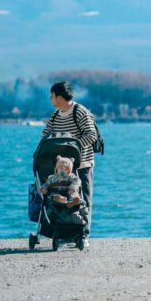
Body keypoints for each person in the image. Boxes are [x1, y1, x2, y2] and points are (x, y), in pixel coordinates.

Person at [42, 81, 98, 246]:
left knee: (83, 199)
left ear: (59, 97)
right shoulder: (55, 115)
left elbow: (91, 135)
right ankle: (66, 233)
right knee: (63, 198)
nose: (50, 99)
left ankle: (84, 235)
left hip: (82, 164)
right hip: (61, 168)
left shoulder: (80, 112)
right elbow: (45, 135)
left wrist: (73, 150)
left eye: (52, 96)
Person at [40, 156, 86, 225]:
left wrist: (72, 188)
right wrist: (44, 189)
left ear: (69, 171)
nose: (63, 170)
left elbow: (77, 181)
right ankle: (60, 199)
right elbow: (46, 184)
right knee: (53, 195)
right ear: (56, 169)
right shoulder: (52, 177)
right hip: (56, 191)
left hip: (68, 192)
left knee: (72, 196)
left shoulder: (71, 176)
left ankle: (72, 202)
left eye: (66, 169)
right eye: (61, 168)